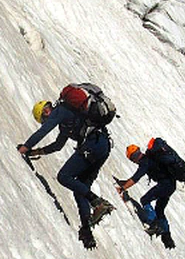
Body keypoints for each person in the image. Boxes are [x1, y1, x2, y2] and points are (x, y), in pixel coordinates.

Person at [18, 99, 114, 249]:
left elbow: (43, 131)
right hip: (103, 146)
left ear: (46, 111)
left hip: (93, 143)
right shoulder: (66, 122)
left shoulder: (61, 110)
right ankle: (86, 232)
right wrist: (36, 152)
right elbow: (58, 145)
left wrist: (24, 147)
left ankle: (97, 202)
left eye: (44, 117)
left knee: (64, 176)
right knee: (80, 188)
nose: (47, 119)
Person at [116, 142, 177, 249]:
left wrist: (123, 188)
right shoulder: (149, 158)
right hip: (171, 184)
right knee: (159, 209)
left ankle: (154, 224)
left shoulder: (145, 162)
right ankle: (167, 237)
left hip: (165, 184)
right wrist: (125, 183)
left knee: (145, 200)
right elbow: (135, 177)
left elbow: (136, 178)